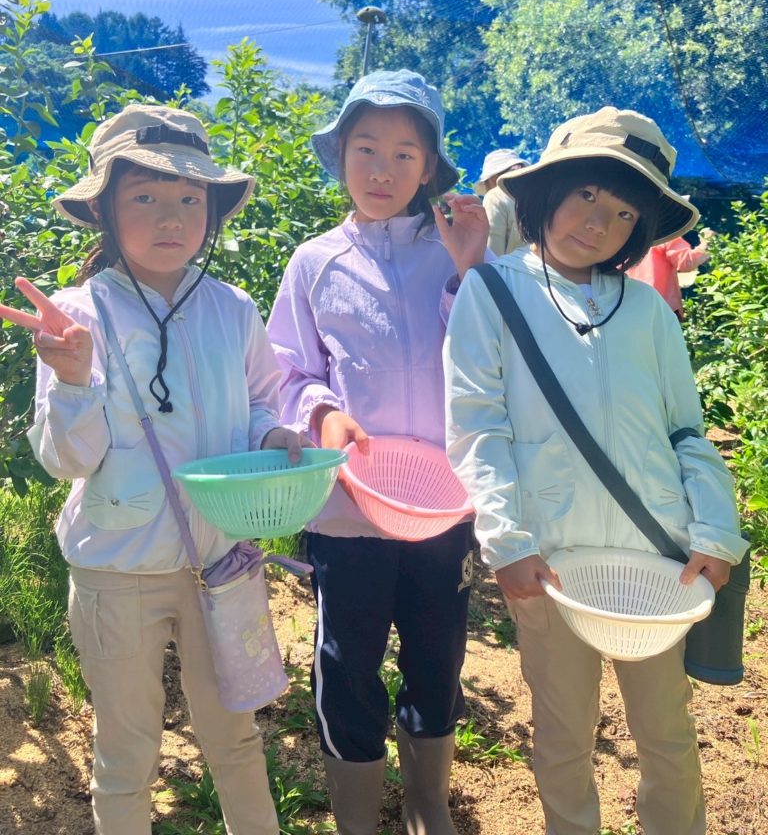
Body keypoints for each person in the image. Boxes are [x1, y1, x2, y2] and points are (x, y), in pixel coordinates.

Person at [0, 105, 306, 835]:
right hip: (118, 569)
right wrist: (73, 378)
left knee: (236, 737)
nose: (171, 217)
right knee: (126, 750)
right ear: (103, 209)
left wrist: (271, 433)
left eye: (190, 198)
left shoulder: (232, 309)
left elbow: (260, 401)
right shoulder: (77, 316)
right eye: (144, 197)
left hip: (221, 559)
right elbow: (66, 461)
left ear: (212, 211)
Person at [443, 107, 748, 835]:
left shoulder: (648, 311)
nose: (598, 222)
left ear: (640, 228)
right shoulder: (493, 292)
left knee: (667, 735)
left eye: (623, 211)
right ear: (547, 191)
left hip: (656, 565)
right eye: (585, 193)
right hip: (551, 564)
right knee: (562, 735)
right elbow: (478, 426)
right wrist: (506, 541)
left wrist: (715, 529)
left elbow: (685, 431)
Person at [267, 69, 488, 835]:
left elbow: (493, 359)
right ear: (341, 157)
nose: (382, 169)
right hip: (348, 511)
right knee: (346, 662)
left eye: (403, 154)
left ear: (428, 169)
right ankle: (357, 817)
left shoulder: (457, 252)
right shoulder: (315, 261)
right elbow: (286, 371)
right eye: (365, 148)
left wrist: (471, 268)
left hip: (443, 506)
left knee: (438, 656)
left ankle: (427, 803)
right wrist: (322, 414)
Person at [627, 232, 710, 319]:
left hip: (631, 305)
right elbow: (686, 262)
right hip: (662, 306)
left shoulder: (628, 238)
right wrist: (706, 243)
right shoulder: (665, 236)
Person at [474, 148, 527, 256]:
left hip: (511, 266)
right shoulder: (535, 197)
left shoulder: (494, 197)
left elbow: (493, 252)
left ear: (492, 178)